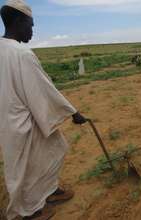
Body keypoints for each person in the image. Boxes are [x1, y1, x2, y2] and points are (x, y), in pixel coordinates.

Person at [0, 1, 87, 219]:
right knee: (32, 164)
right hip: (26, 121)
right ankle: (31, 211)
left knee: (43, 155)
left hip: (8, 120)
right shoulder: (22, 54)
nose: (32, 31)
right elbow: (44, 90)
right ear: (19, 22)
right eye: (30, 25)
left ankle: (49, 191)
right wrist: (73, 112)